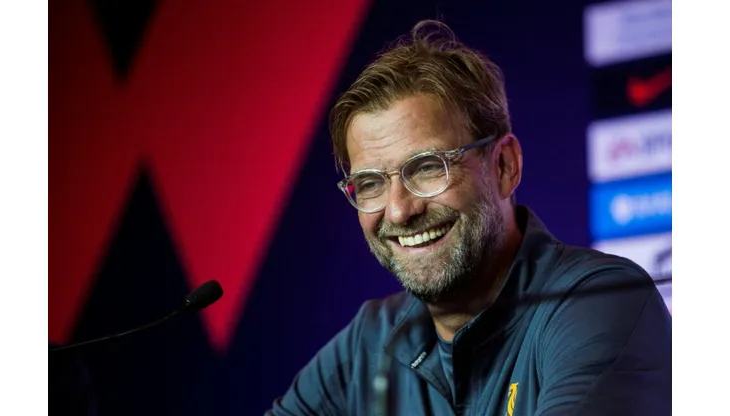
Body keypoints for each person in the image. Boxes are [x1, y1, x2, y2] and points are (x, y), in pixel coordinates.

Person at [266, 20, 671, 416]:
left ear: (504, 166)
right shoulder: (369, 343)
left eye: (428, 167)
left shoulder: (600, 303)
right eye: (370, 183)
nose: (399, 210)